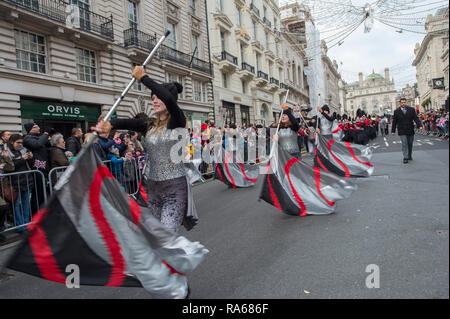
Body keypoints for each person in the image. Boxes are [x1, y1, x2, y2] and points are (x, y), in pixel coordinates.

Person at [94, 65, 197, 234]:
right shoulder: (150, 124)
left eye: (158, 97)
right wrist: (109, 124)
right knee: (156, 238)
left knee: (166, 237)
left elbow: (170, 101)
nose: (154, 101)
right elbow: (126, 122)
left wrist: (144, 78)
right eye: (153, 98)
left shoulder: (177, 121)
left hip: (174, 188)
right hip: (153, 188)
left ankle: (176, 259)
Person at [7, 134, 34, 232]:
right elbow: (10, 167)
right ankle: (19, 226)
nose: (20, 145)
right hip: (14, 182)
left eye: (21, 142)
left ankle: (26, 223)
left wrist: (31, 157)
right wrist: (22, 159)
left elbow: (31, 164)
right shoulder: (6, 152)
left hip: (27, 181)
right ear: (11, 142)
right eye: (18, 142)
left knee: (26, 203)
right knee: (16, 204)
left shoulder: (24, 150)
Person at [23, 123, 49, 214]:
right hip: (36, 169)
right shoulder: (27, 139)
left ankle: (42, 212)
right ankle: (35, 214)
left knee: (42, 193)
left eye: (38, 126)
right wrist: (45, 135)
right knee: (37, 194)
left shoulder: (39, 137)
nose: (39, 128)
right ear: (30, 129)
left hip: (43, 168)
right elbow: (37, 145)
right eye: (36, 127)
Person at [391, 98, 424, 164]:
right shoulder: (396, 111)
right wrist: (393, 130)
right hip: (402, 130)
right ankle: (405, 157)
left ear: (406, 102)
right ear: (400, 103)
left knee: (410, 143)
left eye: (404, 102)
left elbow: (416, 118)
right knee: (404, 143)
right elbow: (394, 121)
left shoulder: (411, 109)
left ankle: (409, 155)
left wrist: (419, 125)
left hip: (410, 129)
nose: (403, 103)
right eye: (402, 102)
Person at [0, 147, 15, 243]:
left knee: (4, 207)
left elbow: (11, 167)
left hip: (2, 187)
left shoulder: (1, 159)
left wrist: (6, 157)